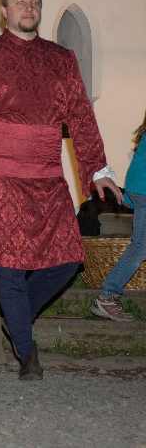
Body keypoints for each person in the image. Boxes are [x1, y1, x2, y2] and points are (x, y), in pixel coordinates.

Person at [0, 0, 122, 380]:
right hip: (1, 177)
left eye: (34, 2)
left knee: (69, 260)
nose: (28, 8)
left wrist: (97, 169)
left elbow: (81, 118)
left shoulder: (62, 59)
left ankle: (17, 319)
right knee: (9, 267)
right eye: (20, 2)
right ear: (5, 9)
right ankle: (27, 354)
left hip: (48, 177)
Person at [91, 111, 146, 322]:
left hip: (139, 191)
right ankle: (107, 296)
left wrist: (130, 197)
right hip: (143, 193)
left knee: (140, 246)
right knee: (140, 247)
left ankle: (108, 296)